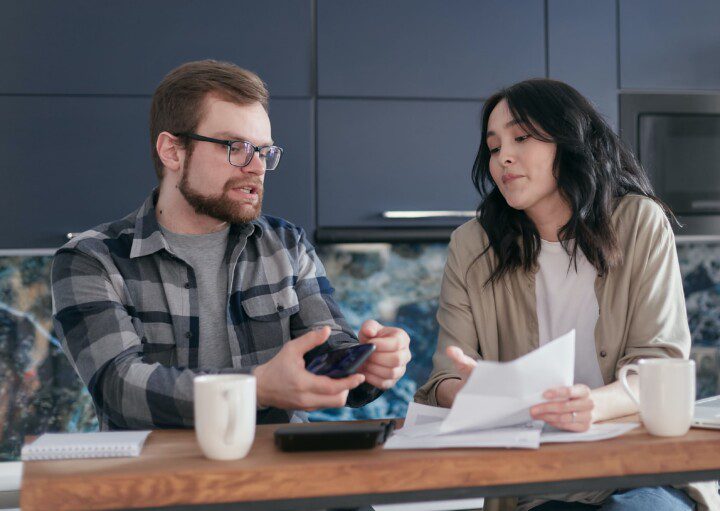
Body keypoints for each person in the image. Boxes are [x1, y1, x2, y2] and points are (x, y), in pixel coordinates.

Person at [51, 60, 411, 430]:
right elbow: (119, 387)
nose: (256, 167)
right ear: (172, 151)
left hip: (277, 476)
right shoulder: (91, 259)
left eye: (264, 151)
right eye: (236, 147)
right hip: (160, 480)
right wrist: (255, 389)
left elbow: (327, 348)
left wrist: (368, 363)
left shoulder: (286, 245)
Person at [415, 79, 718, 510]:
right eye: (494, 145)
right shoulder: (472, 244)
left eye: (521, 137)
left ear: (570, 141)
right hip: (533, 480)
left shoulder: (639, 222)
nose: (503, 156)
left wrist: (592, 405)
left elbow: (660, 363)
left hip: (636, 469)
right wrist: (477, 392)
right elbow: (444, 379)